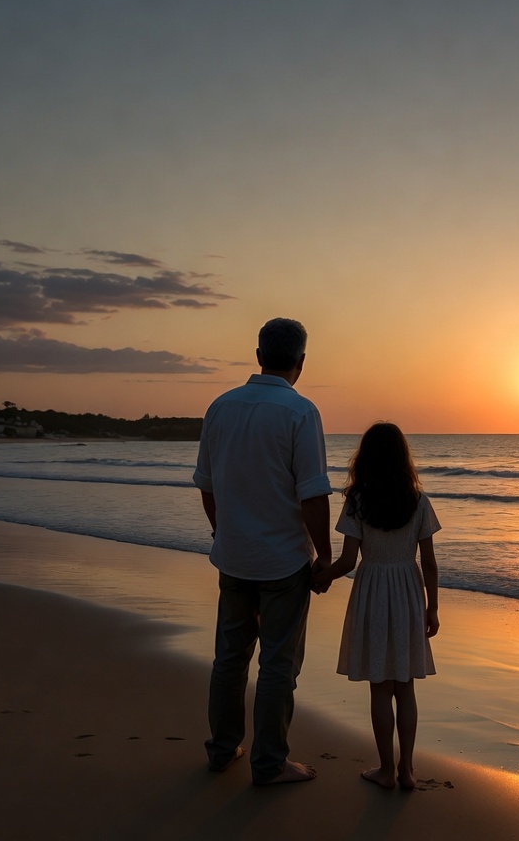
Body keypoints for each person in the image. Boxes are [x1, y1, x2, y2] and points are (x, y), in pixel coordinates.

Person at [193, 317, 332, 785]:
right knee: (277, 665)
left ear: (257, 356)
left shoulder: (221, 407)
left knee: (229, 658)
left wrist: (223, 532)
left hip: (234, 556)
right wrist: (325, 557)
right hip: (283, 561)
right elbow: (312, 494)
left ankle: (222, 747)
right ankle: (269, 763)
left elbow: (207, 486)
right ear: (301, 362)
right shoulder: (300, 412)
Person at [314, 422, 440, 790]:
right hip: (408, 591)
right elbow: (429, 562)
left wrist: (319, 578)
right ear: (404, 459)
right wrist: (433, 608)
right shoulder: (418, 501)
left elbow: (348, 561)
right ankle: (408, 770)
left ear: (365, 458)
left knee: (380, 687)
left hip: (372, 590)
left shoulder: (358, 501)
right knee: (406, 687)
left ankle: (386, 769)